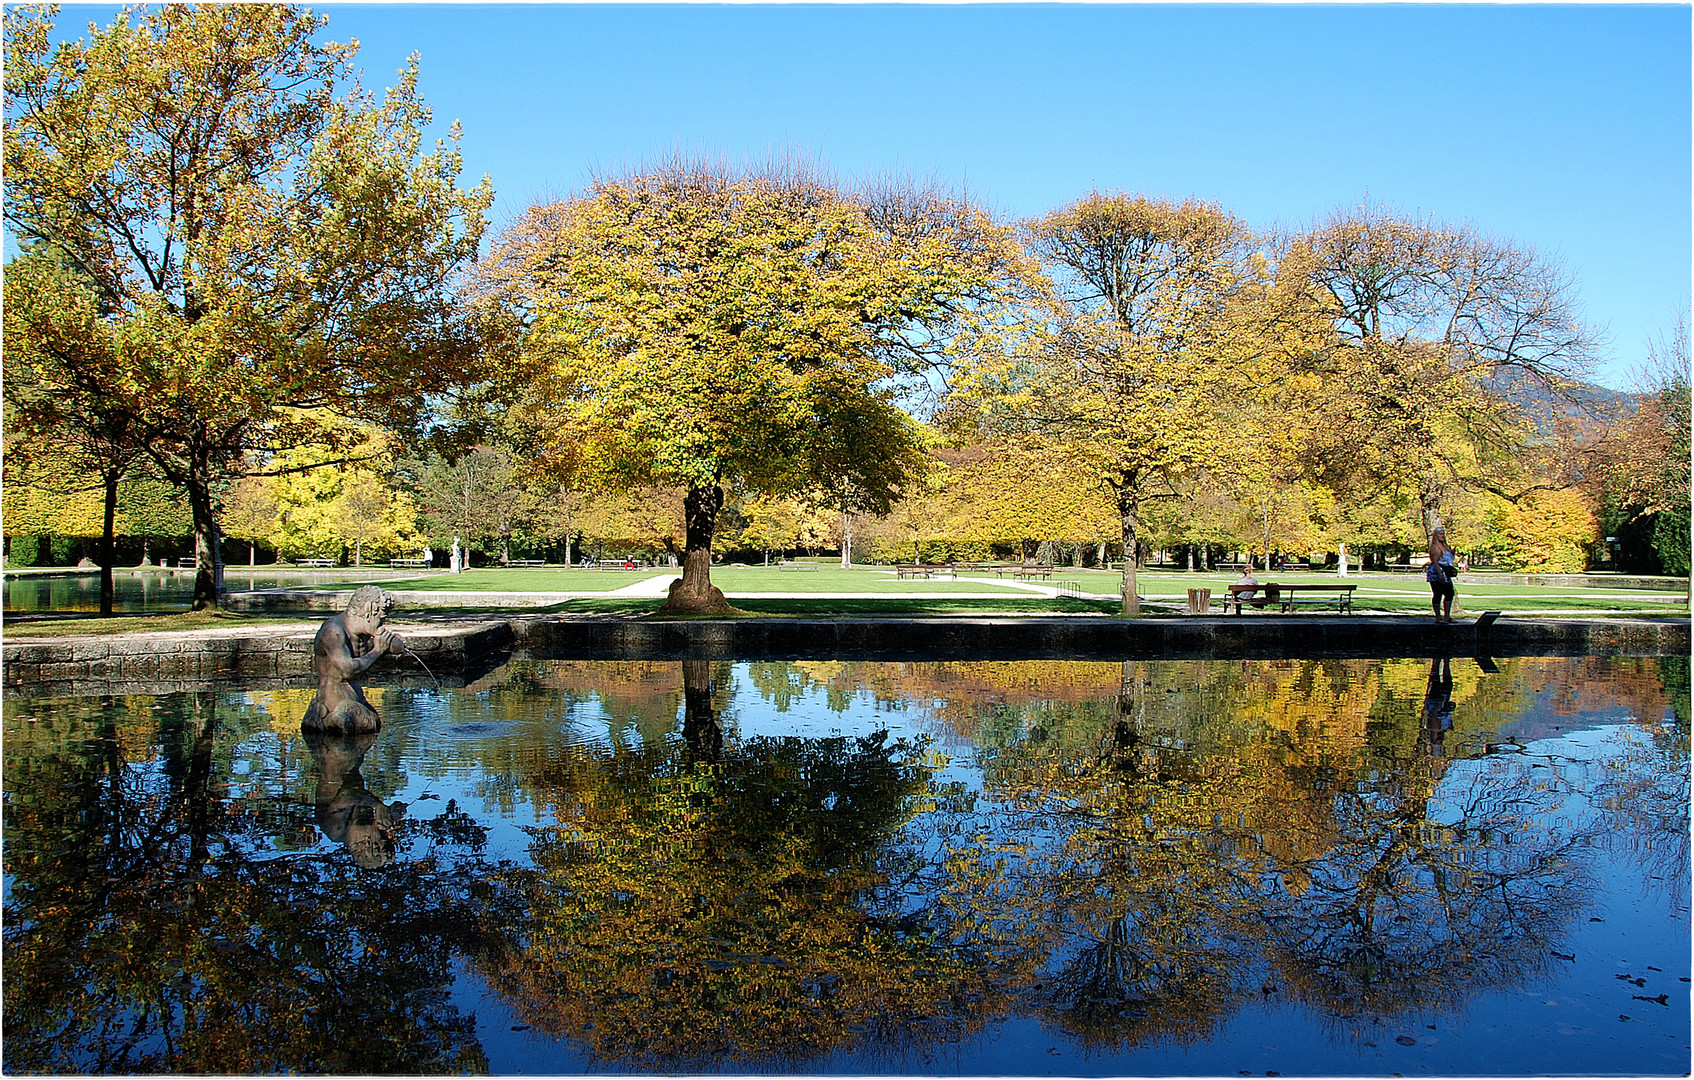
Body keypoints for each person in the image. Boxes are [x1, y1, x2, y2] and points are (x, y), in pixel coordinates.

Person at [300, 585, 401, 734]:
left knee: (372, 724)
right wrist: (377, 651)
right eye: (382, 619)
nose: (382, 624)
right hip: (333, 705)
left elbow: (398, 646)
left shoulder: (365, 632)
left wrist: (389, 640)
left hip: (355, 701)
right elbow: (347, 670)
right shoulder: (333, 632)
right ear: (369, 612)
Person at [1426, 525, 1459, 623]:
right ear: (1436, 535)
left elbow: (1447, 559)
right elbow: (1435, 561)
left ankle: (1447, 616)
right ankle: (1438, 617)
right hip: (1437, 572)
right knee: (1438, 594)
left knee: (1449, 593)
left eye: (1443, 534)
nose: (1442, 536)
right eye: (1440, 534)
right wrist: (1440, 574)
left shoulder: (1445, 547)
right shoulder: (1436, 548)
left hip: (1446, 571)